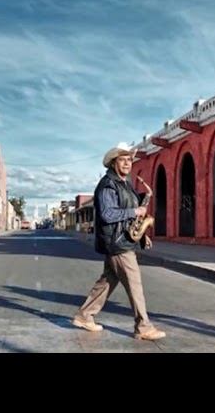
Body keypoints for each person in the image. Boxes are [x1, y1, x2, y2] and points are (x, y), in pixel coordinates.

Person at [71, 142, 166, 341]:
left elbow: (130, 219)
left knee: (107, 281)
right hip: (117, 242)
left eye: (129, 160)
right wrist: (135, 211)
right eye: (122, 160)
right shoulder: (108, 184)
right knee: (134, 283)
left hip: (122, 239)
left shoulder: (125, 184)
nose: (127, 163)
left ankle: (84, 315)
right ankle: (143, 326)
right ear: (114, 163)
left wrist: (141, 233)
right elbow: (107, 214)